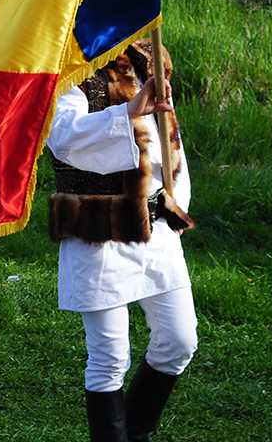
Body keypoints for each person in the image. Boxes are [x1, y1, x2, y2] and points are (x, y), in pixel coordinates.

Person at [46, 40, 197, 442]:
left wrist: (176, 202)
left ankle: (135, 433)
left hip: (155, 228)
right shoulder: (69, 70)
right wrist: (128, 111)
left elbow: (171, 142)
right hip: (98, 233)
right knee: (110, 357)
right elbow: (64, 138)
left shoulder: (149, 63)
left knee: (180, 340)